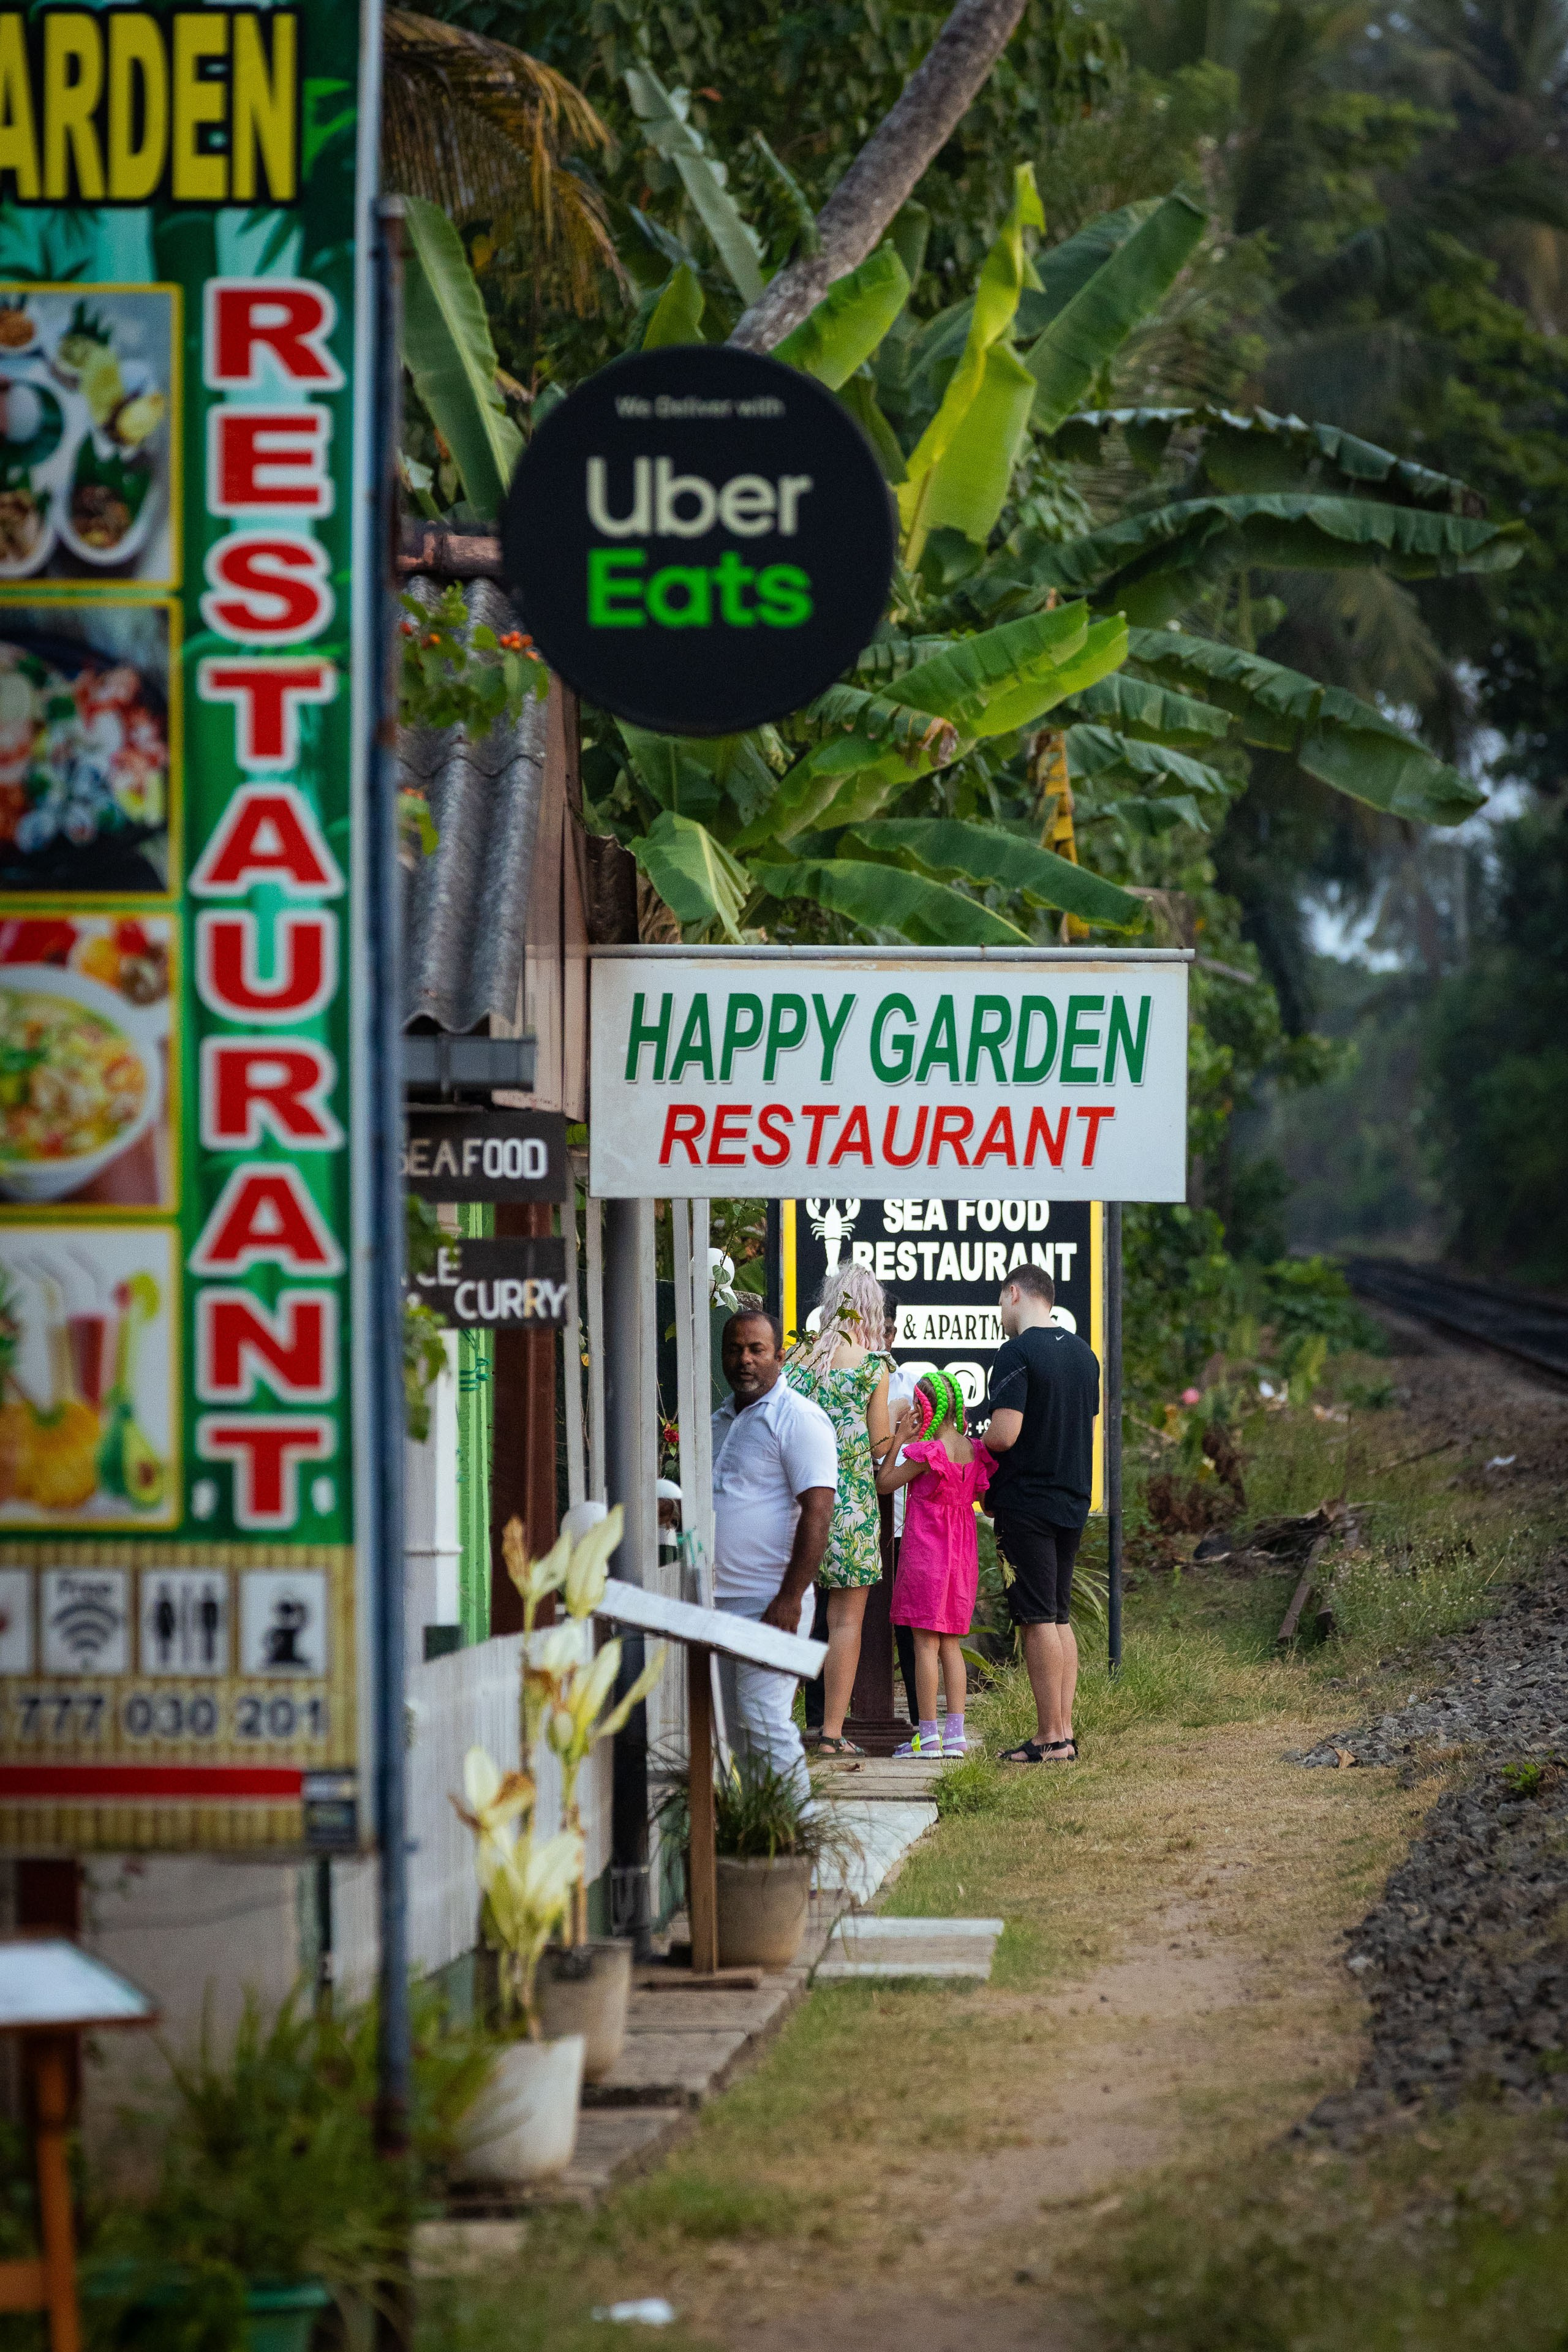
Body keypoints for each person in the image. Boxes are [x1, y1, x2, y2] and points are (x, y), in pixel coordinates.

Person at [710, 1308, 837, 1791]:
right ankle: (749, 1845)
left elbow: (818, 1513)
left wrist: (790, 1597)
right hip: (714, 1605)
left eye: (756, 1349)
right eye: (735, 1349)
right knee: (728, 1735)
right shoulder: (718, 1422)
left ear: (779, 1357)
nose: (744, 1360)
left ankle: (798, 1844)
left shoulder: (799, 1419)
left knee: (766, 1723)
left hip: (772, 1603)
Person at [982, 1264, 1099, 1764]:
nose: (1000, 1315)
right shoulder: (1084, 1355)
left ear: (1014, 1294)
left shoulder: (1017, 1352)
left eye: (1000, 1303)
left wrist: (967, 1444)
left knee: (1035, 1621)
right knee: (1058, 1616)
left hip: (1026, 1503)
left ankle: (1050, 1736)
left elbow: (1005, 1434)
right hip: (1071, 1501)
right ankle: (1064, 1731)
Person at [785, 1264, 891, 1756]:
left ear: (831, 1303)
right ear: (871, 1310)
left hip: (798, 1501)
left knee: (794, 1611)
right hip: (851, 1507)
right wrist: (904, 1436)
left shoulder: (796, 1359)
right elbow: (878, 1445)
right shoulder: (874, 1367)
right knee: (846, 1621)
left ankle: (777, 1722)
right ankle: (831, 1734)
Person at [877, 1370, 993, 1757]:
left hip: (928, 1552)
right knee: (951, 1644)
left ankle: (927, 1737)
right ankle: (956, 1736)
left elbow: (885, 1482)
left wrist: (898, 1440)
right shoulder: (972, 1450)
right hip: (961, 1555)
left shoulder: (930, 1454)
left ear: (923, 1408)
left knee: (925, 1643)